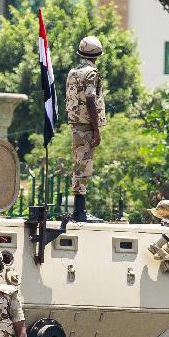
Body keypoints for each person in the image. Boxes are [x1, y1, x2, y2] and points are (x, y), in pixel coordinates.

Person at [65, 35, 106, 222]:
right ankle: (79, 212)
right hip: (86, 127)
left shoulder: (73, 72)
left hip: (75, 124)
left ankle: (79, 210)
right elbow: (90, 100)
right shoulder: (91, 73)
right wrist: (96, 129)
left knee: (79, 164)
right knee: (84, 166)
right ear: (97, 55)